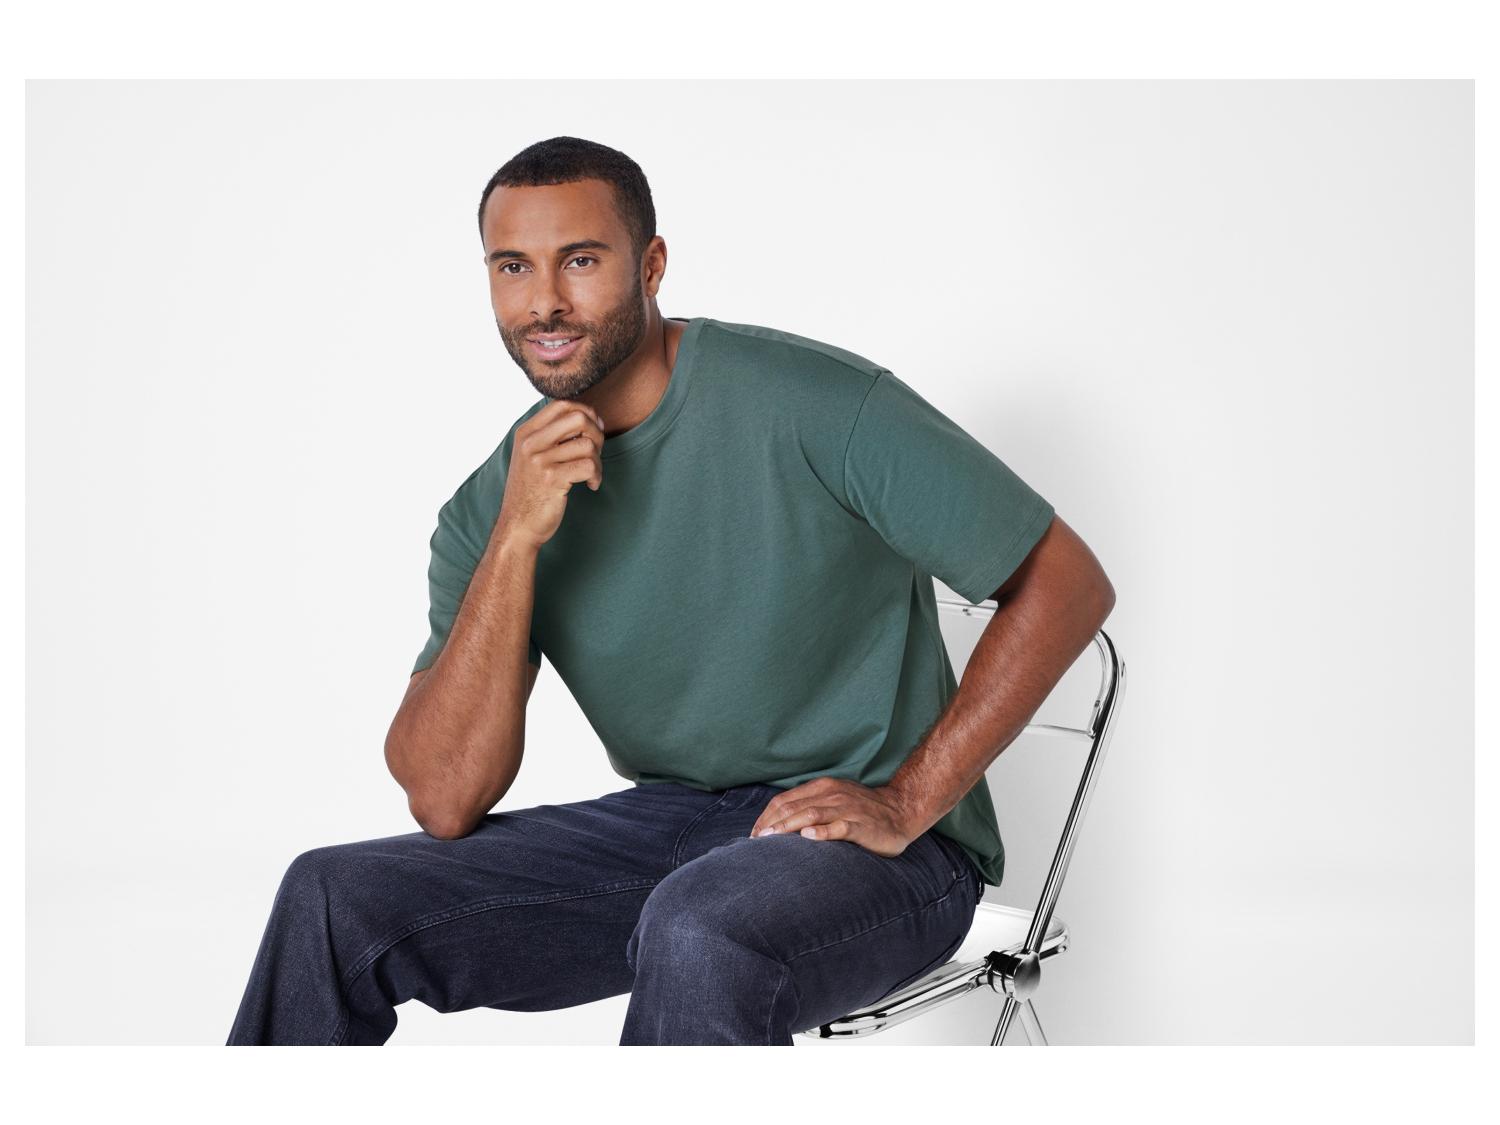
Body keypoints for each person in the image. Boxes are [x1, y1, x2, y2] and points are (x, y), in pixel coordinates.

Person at [226, 136, 1115, 1046]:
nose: (544, 301)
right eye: (513, 266)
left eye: (580, 260)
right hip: (672, 827)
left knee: (700, 924)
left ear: (651, 265)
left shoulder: (812, 402)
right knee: (333, 898)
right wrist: (516, 539)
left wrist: (906, 800)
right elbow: (446, 796)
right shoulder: (495, 504)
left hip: (883, 851)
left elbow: (1068, 583)